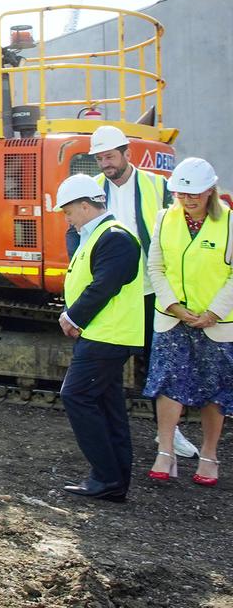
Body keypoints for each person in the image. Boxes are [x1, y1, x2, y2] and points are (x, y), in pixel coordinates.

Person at [89, 124, 198, 458]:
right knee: (106, 364)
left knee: (161, 363)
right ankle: (106, 431)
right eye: (100, 158)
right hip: (114, 295)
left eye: (110, 156)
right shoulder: (92, 190)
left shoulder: (157, 186)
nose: (106, 163)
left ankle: (169, 433)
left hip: (151, 292)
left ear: (126, 153)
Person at [145, 157, 233, 486]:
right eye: (181, 194)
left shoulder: (230, 223)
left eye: (194, 194)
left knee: (215, 389)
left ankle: (209, 455)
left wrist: (213, 312)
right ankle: (165, 450)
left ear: (211, 191)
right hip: (173, 319)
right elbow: (156, 267)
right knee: (168, 383)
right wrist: (174, 306)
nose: (187, 200)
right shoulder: (164, 219)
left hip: (217, 323)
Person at [56, 173, 143, 501]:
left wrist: (73, 316)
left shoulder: (114, 237)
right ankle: (114, 481)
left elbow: (103, 285)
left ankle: (106, 477)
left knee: (76, 396)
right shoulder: (97, 235)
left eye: (68, 211)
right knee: (109, 406)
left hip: (107, 334)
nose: (66, 218)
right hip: (103, 334)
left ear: (84, 205)